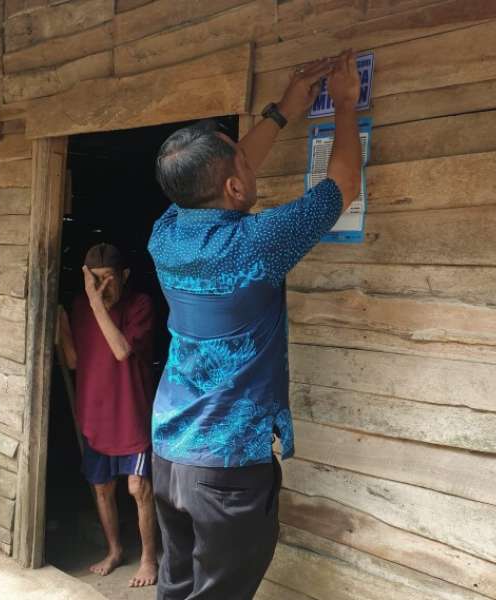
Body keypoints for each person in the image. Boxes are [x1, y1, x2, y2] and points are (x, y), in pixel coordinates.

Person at [147, 50, 362, 599]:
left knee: (177, 587)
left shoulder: (166, 229)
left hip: (170, 454)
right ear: (236, 190)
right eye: (240, 161)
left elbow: (225, 172)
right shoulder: (258, 243)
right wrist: (343, 105)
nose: (248, 160)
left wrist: (287, 106)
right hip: (227, 470)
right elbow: (342, 185)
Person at [55, 243, 159, 588]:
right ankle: (114, 551)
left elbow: (120, 350)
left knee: (138, 487)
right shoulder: (80, 308)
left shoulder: (140, 306)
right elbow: (73, 361)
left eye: (108, 279)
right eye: (94, 281)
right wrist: (64, 327)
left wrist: (95, 302)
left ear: (124, 277)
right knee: (102, 489)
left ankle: (147, 559)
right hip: (94, 414)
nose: (101, 288)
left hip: (131, 416)